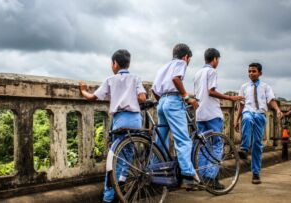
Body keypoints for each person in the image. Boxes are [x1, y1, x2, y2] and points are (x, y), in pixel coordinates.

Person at [79, 49, 147, 203]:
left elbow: (92, 97)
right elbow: (142, 97)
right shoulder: (136, 78)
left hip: (120, 120)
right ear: (128, 64)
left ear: (115, 64)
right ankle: (122, 181)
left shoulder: (110, 80)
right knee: (128, 152)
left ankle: (108, 197)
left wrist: (83, 90)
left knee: (114, 155)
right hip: (135, 120)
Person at [193, 48, 244, 189]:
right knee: (217, 144)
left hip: (200, 114)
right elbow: (211, 91)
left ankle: (201, 178)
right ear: (215, 59)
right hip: (212, 114)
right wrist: (230, 97)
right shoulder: (212, 71)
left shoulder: (197, 73)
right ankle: (211, 178)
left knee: (203, 146)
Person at [152, 43, 200, 189]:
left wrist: (162, 101)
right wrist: (187, 97)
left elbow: (154, 88)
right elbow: (176, 78)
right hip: (173, 101)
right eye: (189, 59)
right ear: (186, 57)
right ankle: (187, 175)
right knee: (183, 139)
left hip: (162, 102)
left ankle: (156, 170)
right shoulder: (181, 62)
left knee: (161, 139)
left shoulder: (163, 67)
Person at [234, 62, 282, 184]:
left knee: (257, 144)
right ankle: (244, 148)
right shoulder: (244, 87)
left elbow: (271, 100)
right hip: (248, 112)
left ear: (260, 73)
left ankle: (256, 173)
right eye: (249, 71)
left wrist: (277, 109)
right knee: (247, 119)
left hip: (260, 115)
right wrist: (236, 119)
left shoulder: (266, 87)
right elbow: (241, 105)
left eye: (254, 71)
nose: (251, 73)